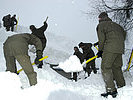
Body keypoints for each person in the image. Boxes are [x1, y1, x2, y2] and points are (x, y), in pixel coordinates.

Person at [96, 12, 126, 98]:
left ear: (101, 18)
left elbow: (101, 39)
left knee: (105, 67)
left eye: (99, 19)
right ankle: (122, 87)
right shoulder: (117, 26)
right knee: (117, 68)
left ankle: (111, 90)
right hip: (120, 48)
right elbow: (122, 35)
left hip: (110, 48)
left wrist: (100, 50)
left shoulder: (101, 25)